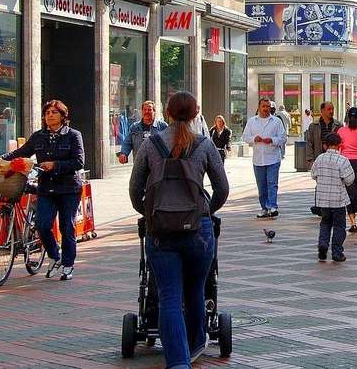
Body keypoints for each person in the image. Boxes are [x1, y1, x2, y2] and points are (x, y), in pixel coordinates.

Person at [128, 91, 229, 368]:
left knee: (169, 296)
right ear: (196, 114)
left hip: (161, 232)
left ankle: (179, 363)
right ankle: (196, 344)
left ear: (167, 114)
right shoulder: (205, 145)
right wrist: (206, 211)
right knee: (196, 289)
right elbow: (222, 189)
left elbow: (135, 190)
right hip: (198, 230)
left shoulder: (151, 145)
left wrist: (150, 214)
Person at [0, 99, 84, 280]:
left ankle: (68, 265)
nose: (50, 115)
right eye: (47, 113)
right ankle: (54, 255)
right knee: (42, 225)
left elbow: (78, 162)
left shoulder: (73, 135)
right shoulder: (38, 136)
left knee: (67, 227)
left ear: (63, 116)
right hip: (46, 188)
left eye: (54, 112)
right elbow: (20, 153)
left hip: (69, 188)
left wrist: (55, 165)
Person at [310, 132, 355, 262]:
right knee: (339, 226)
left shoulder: (319, 159)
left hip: (323, 200)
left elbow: (313, 175)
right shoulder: (343, 160)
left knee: (325, 223)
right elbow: (349, 179)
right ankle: (337, 252)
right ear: (339, 145)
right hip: (338, 201)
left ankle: (323, 245)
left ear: (325, 146)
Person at [242, 97, 288, 219]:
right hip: (258, 159)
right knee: (261, 186)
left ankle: (273, 206)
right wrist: (253, 139)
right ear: (259, 107)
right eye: (263, 106)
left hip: (273, 158)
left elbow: (283, 138)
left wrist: (272, 140)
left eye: (268, 107)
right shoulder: (252, 121)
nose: (266, 109)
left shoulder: (276, 122)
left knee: (272, 183)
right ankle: (264, 208)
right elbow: (245, 137)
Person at [117, 100, 168, 165]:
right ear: (142, 111)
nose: (147, 112)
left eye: (149, 110)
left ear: (154, 111)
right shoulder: (134, 127)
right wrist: (124, 153)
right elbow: (127, 143)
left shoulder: (162, 126)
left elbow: (170, 143)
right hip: (139, 164)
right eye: (145, 109)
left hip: (157, 165)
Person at [304, 101, 343, 170]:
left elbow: (342, 143)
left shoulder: (338, 125)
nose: (331, 111)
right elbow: (309, 144)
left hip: (335, 161)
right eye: (329, 109)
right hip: (319, 161)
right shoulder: (313, 126)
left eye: (333, 109)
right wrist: (310, 161)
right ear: (322, 110)